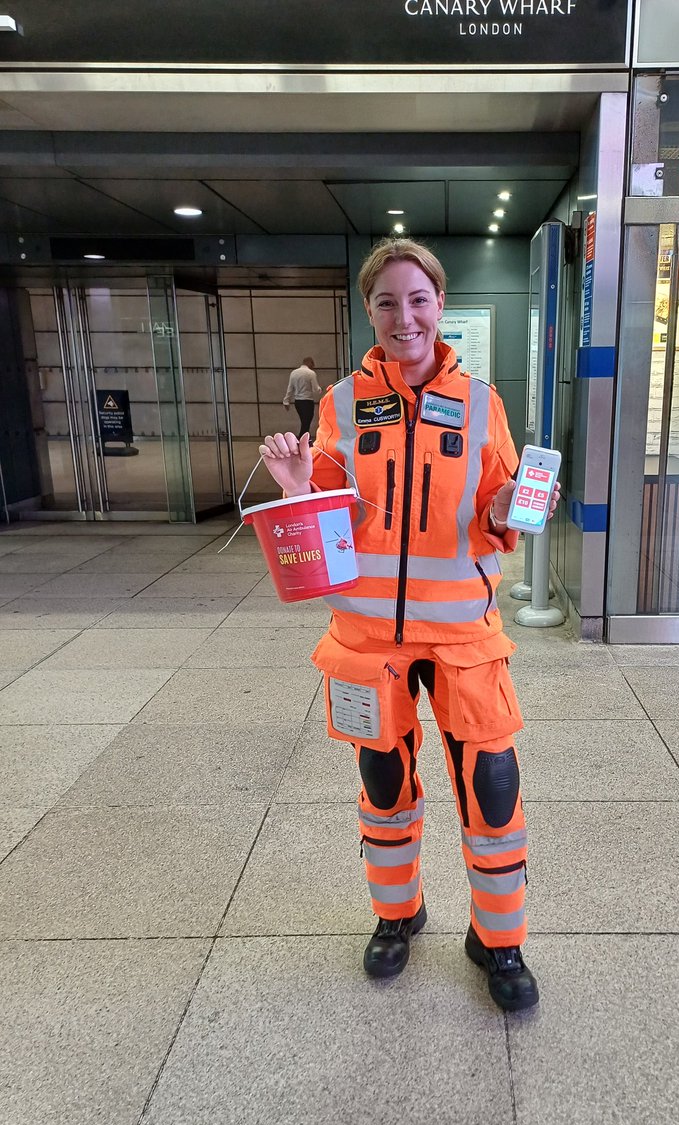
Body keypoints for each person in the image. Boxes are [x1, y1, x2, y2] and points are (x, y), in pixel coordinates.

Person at [260, 238, 559, 1012]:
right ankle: (398, 916)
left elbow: (498, 511)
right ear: (369, 310)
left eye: (418, 299)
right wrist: (297, 487)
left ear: (439, 305)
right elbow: (323, 529)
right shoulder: (338, 407)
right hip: (368, 642)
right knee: (384, 786)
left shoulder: (482, 402)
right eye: (387, 301)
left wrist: (506, 511)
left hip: (464, 637)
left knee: (492, 791)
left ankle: (499, 940)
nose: (405, 316)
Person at [282, 356, 322, 437]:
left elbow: (290, 388)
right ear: (309, 363)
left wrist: (286, 401)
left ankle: (305, 439)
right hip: (307, 401)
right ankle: (302, 440)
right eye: (312, 364)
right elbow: (315, 389)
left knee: (304, 422)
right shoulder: (311, 373)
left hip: (298, 402)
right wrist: (320, 390)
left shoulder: (294, 373)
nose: (313, 366)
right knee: (306, 423)